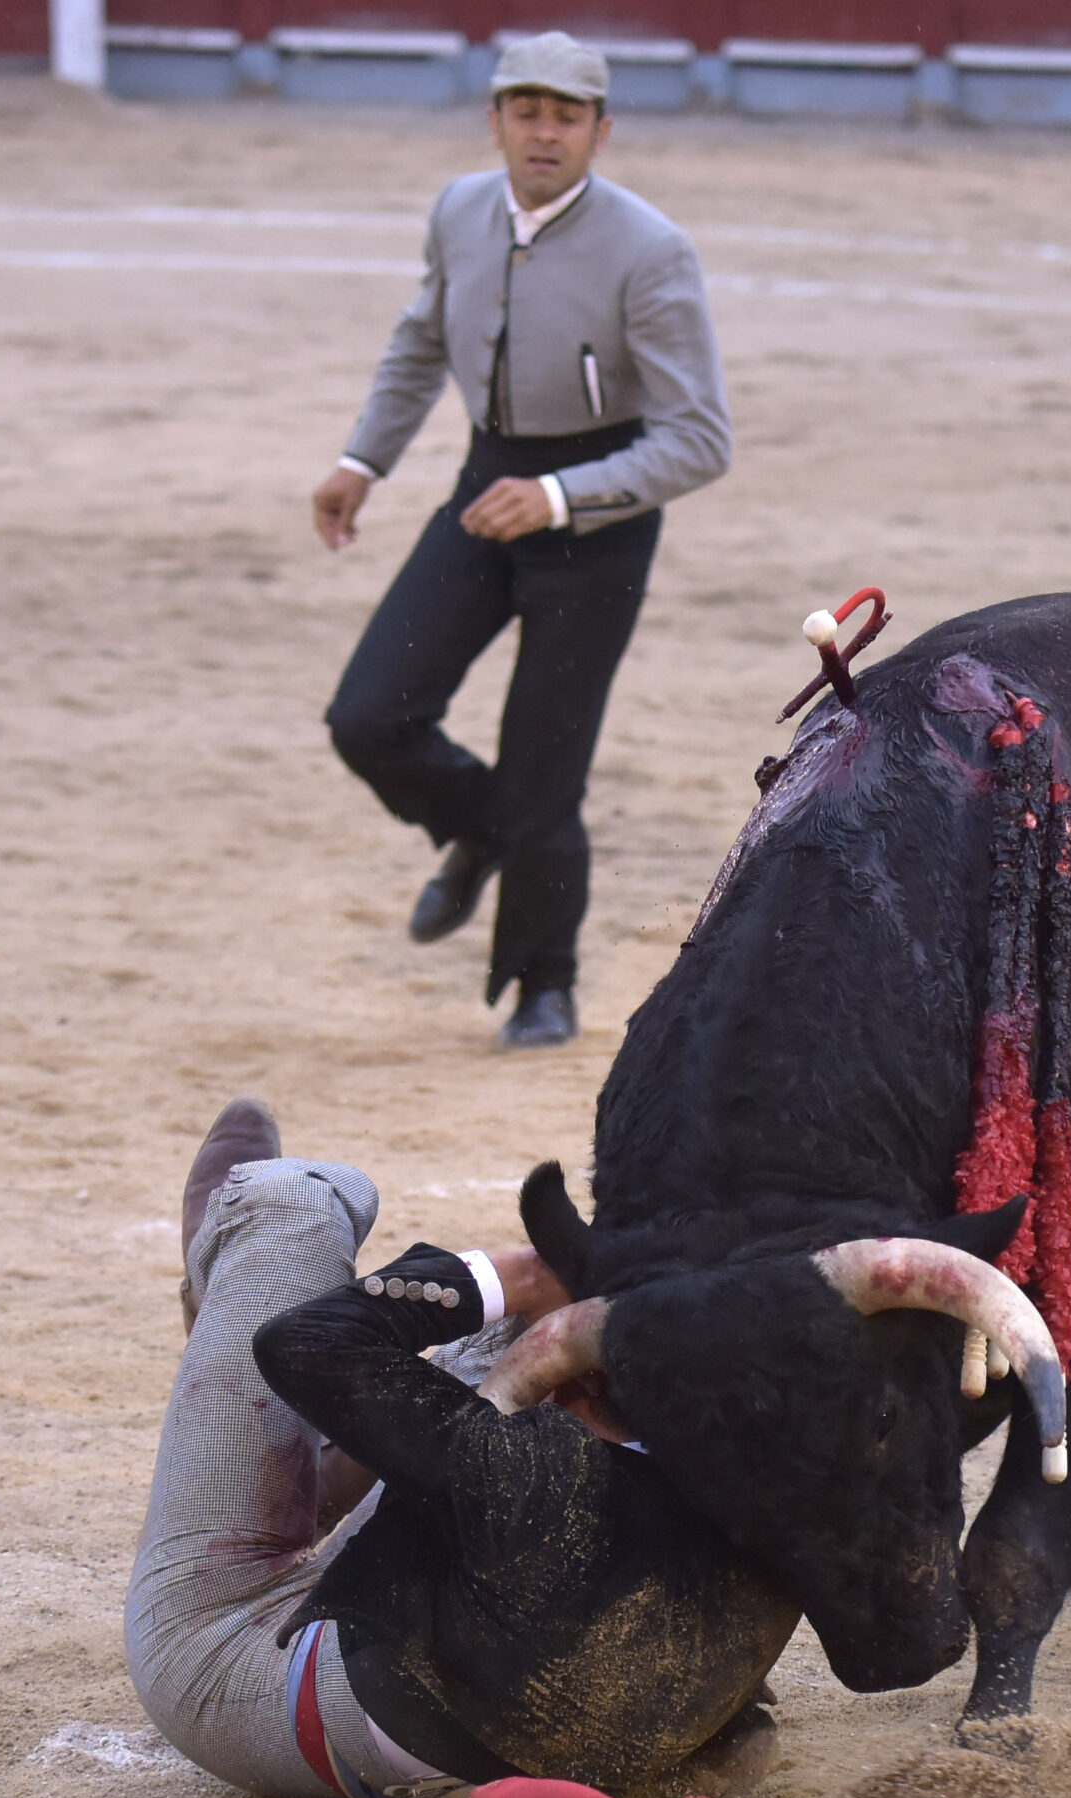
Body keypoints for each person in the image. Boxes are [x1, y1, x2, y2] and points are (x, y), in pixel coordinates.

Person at [125, 1099, 793, 1798]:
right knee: (497, 1385)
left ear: (580, 1387)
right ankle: (325, 1456)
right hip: (559, 1713)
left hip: (244, 1669)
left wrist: (533, 1277)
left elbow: (305, 1341)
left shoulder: (532, 1474)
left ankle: (225, 1297)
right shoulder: (804, 1460)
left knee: (300, 1201)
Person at [312, 31, 732, 1049]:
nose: (545, 133)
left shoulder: (649, 249)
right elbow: (421, 338)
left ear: (600, 130)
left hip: (598, 515)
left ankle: (545, 983)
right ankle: (477, 828)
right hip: (482, 484)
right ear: (494, 119)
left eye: (567, 116)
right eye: (526, 112)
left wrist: (556, 497)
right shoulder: (460, 210)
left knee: (548, 764)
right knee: (369, 715)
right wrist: (364, 459)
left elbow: (699, 439)